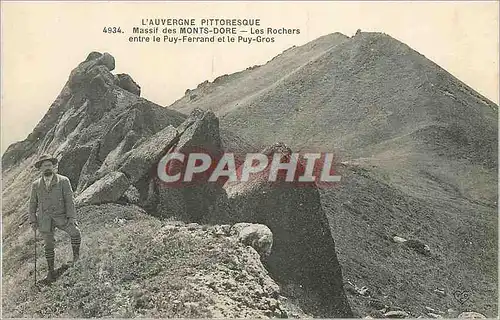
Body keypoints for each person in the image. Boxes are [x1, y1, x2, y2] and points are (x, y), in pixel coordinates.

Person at [28, 154, 81, 281]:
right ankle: (51, 272)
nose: (48, 168)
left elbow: (69, 200)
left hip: (61, 216)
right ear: (40, 168)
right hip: (44, 220)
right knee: (48, 245)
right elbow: (32, 204)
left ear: (53, 167)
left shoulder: (63, 180)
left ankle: (76, 258)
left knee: (75, 233)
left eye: (50, 165)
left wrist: (72, 217)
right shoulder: (36, 185)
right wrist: (33, 220)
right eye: (44, 166)